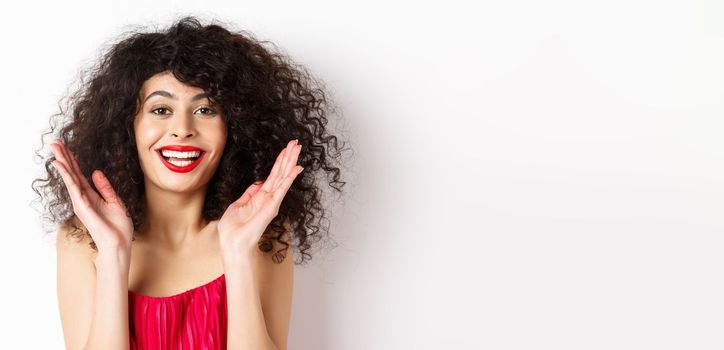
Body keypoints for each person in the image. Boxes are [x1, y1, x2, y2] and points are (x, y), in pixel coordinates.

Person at [31, 15, 348, 350]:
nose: (182, 129)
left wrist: (238, 252)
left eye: (205, 110)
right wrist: (113, 254)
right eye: (161, 110)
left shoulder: (263, 234)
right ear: (129, 127)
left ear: (233, 128)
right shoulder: (83, 240)